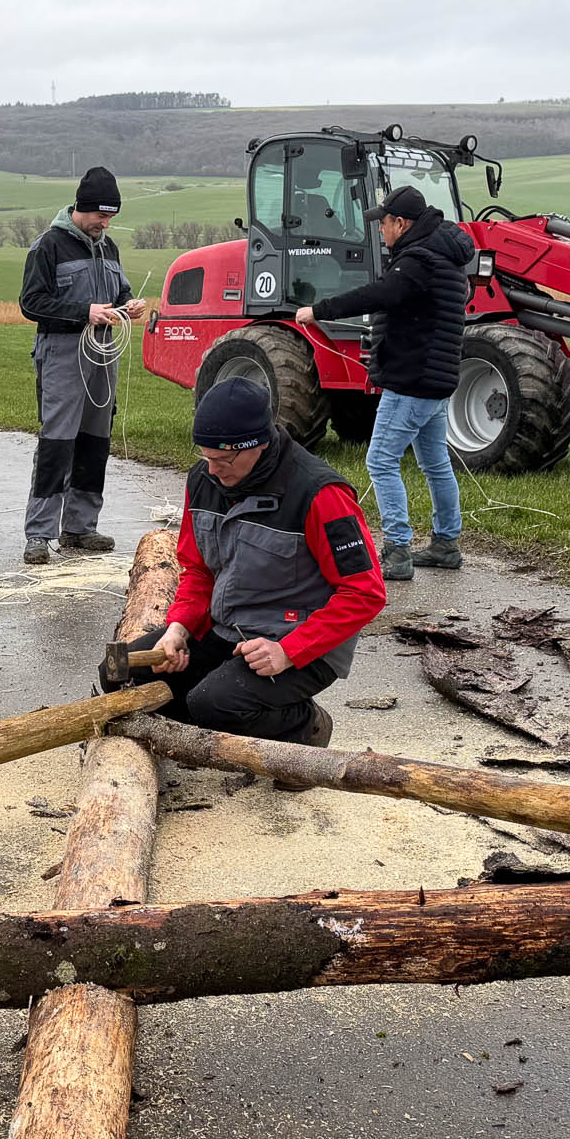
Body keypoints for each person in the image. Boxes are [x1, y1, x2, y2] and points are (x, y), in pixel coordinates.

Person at [102, 378, 385, 745]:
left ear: (259, 444)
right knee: (120, 674)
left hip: (298, 641)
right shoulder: (203, 480)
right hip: (228, 628)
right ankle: (210, 725)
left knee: (217, 704)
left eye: (223, 460)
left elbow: (364, 594)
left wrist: (288, 651)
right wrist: (179, 628)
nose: (213, 470)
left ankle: (307, 727)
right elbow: (199, 570)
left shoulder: (320, 494)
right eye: (206, 457)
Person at [296, 185, 472, 580]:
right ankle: (446, 543)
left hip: (411, 381)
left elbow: (378, 294)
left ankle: (397, 550)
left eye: (384, 223)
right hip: (436, 379)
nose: (381, 230)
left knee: (380, 460)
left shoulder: (417, 261)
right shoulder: (444, 256)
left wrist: (319, 310)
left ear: (401, 223)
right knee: (436, 464)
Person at [18, 166, 145, 564]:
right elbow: (31, 303)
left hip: (103, 354)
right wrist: (83, 312)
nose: (105, 224)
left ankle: (79, 526)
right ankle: (39, 533)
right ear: (81, 207)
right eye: (100, 216)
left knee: (95, 440)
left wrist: (128, 306)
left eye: (110, 217)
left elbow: (119, 292)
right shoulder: (48, 246)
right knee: (57, 442)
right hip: (62, 353)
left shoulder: (109, 248)